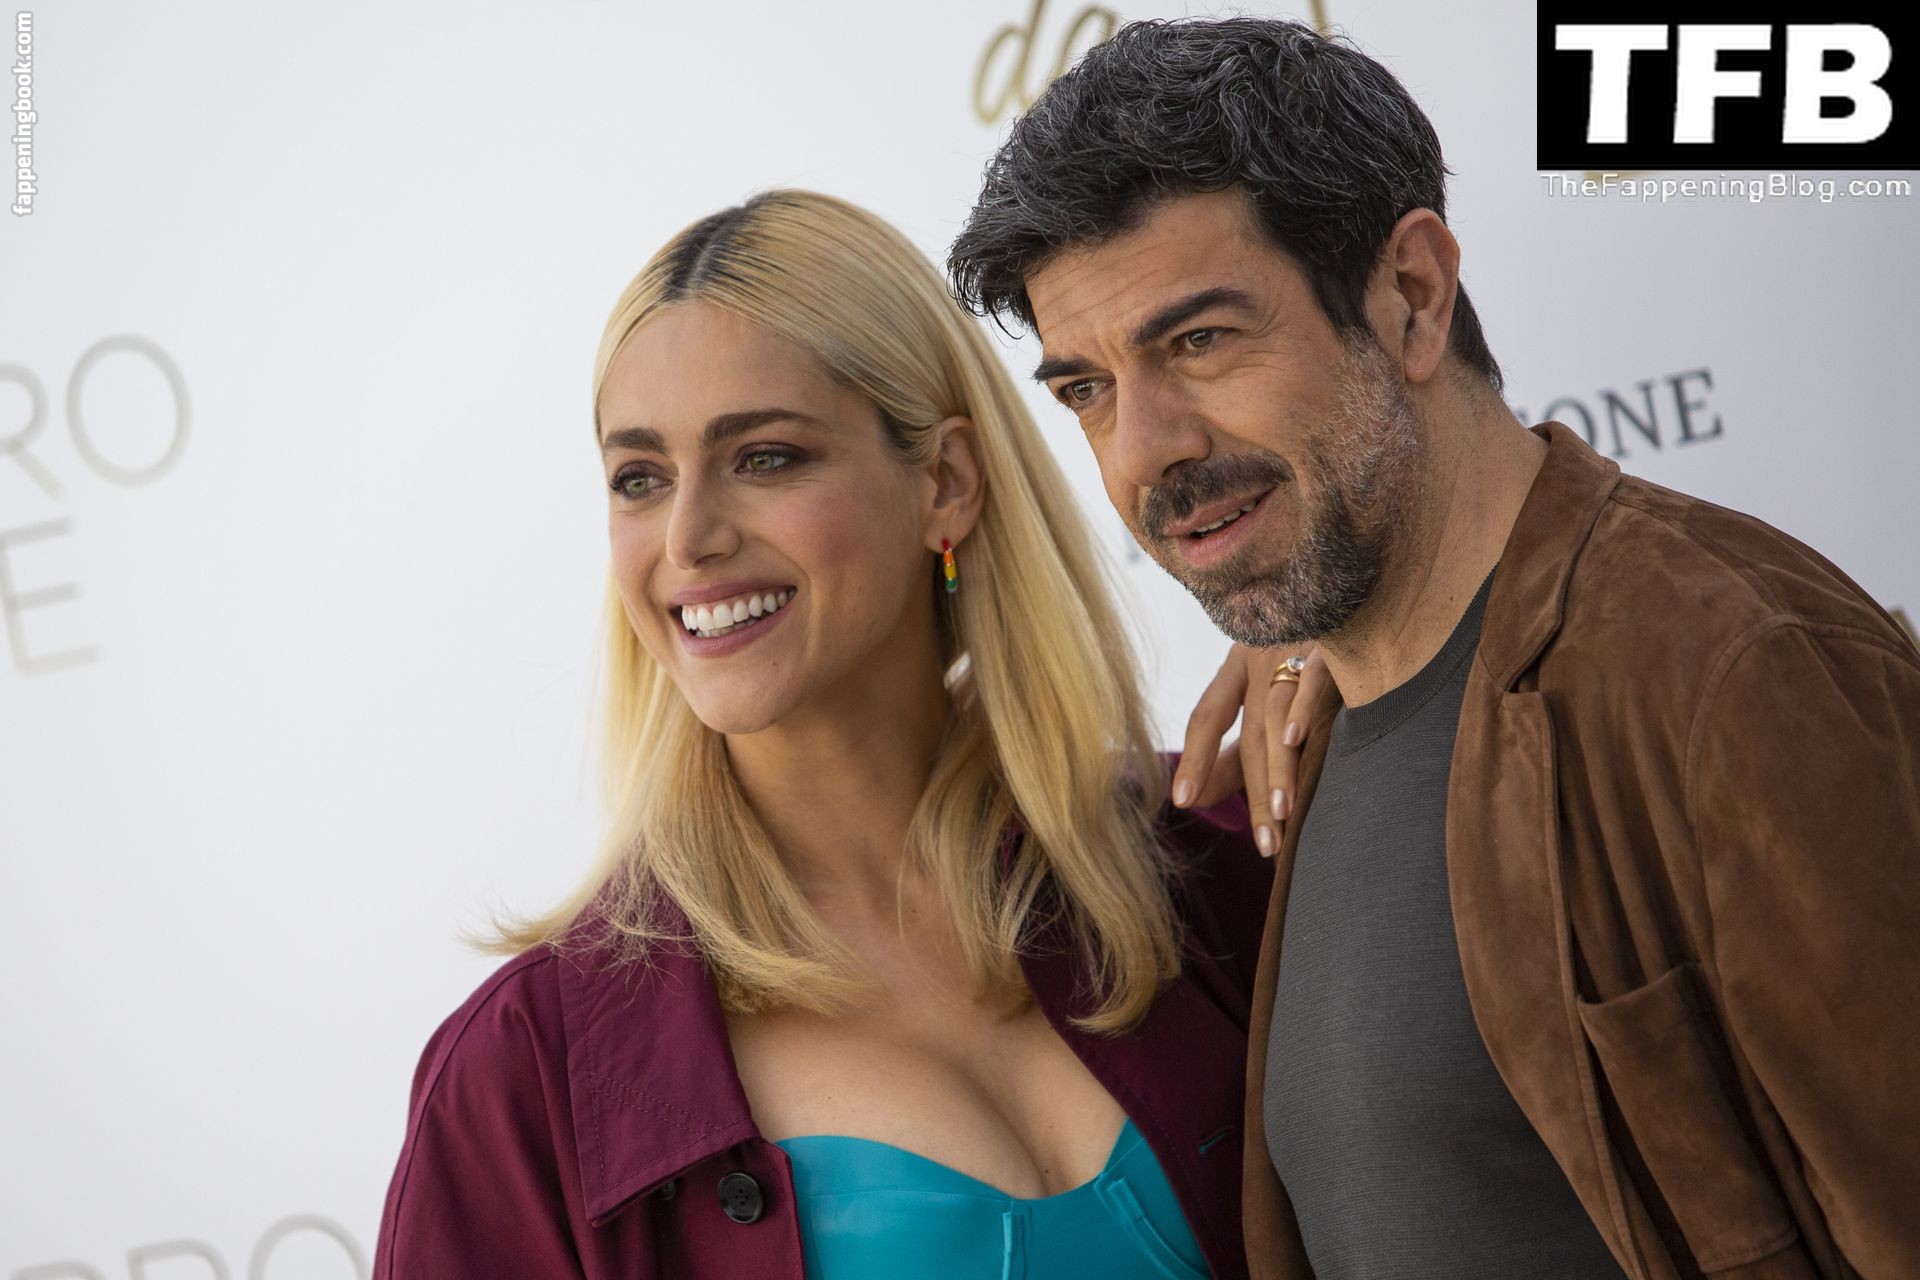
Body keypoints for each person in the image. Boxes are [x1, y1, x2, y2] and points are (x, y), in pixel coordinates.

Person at [948, 16, 1920, 1280]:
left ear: (1411, 294)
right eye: (1087, 388)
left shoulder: (1733, 669)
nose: (1145, 450)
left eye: (1199, 341)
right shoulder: (1319, 726)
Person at [371, 189, 1318, 1280]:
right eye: (640, 478)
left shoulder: (1212, 860)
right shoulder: (523, 1076)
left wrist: (1333, 642)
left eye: (765, 457)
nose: (688, 537)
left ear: (945, 483)